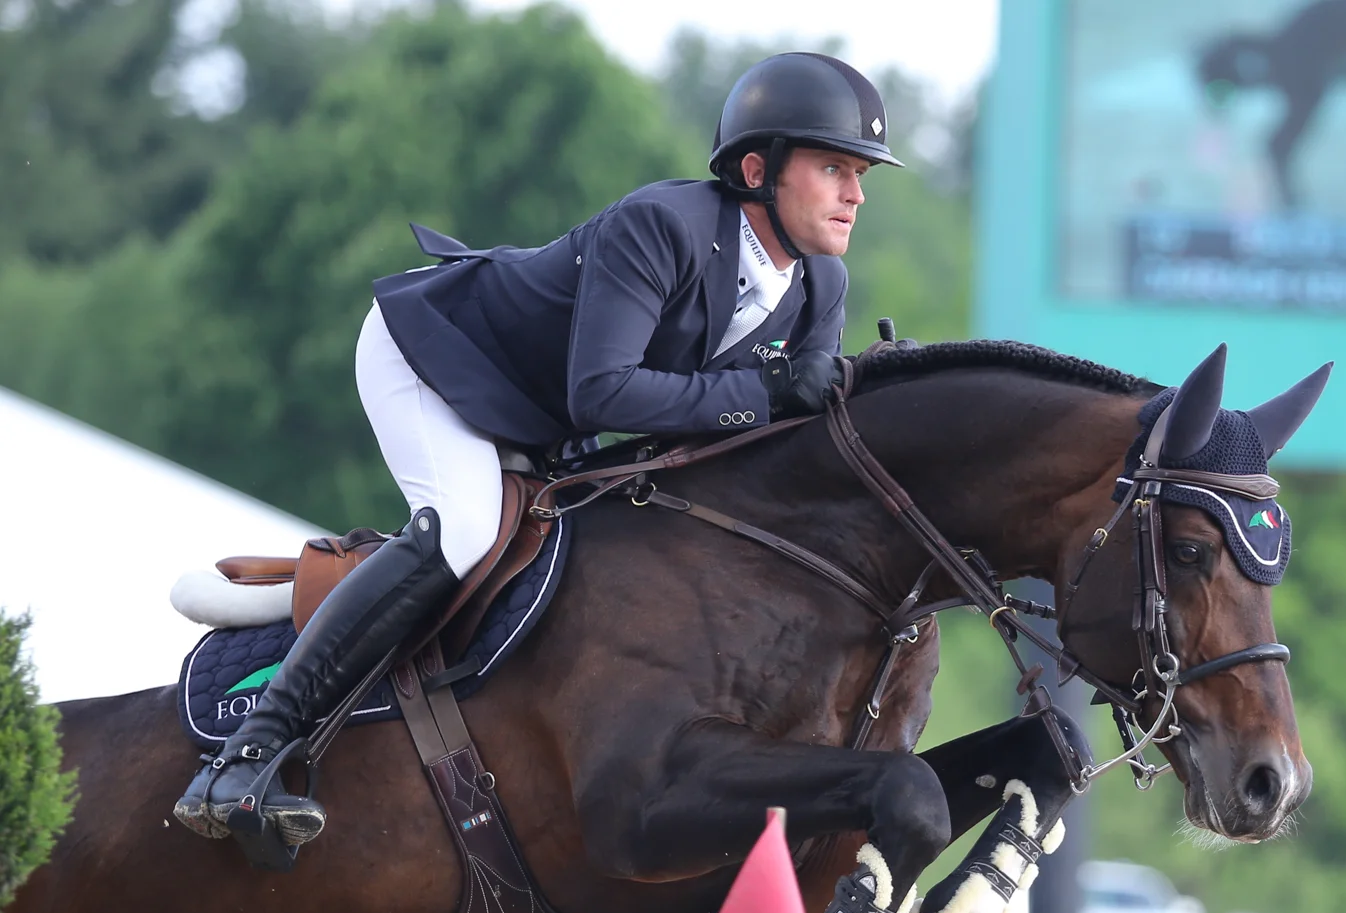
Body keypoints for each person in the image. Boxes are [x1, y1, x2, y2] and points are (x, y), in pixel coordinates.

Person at [174, 52, 903, 855]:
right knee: (462, 532)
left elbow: (781, 428)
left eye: (861, 174)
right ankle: (245, 757)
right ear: (757, 170)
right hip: (443, 357)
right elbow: (605, 393)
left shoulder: (821, 286)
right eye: (834, 168)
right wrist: (765, 393)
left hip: (541, 414)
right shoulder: (663, 226)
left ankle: (331, 601)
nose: (856, 195)